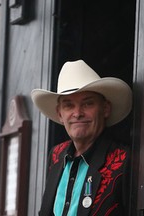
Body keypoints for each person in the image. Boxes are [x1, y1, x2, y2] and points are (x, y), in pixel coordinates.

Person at [31, 59, 133, 216]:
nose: (77, 113)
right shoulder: (57, 155)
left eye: (87, 104)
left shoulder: (125, 159)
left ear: (105, 109)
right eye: (69, 105)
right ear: (60, 114)